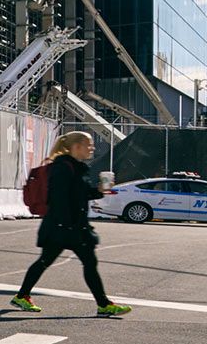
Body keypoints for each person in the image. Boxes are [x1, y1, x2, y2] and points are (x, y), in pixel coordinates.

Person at [10, 131, 129, 316]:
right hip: (64, 227)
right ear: (76, 147)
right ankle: (103, 304)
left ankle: (23, 295)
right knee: (60, 261)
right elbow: (58, 198)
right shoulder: (63, 168)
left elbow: (77, 194)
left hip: (69, 227)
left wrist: (98, 191)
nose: (92, 148)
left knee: (59, 261)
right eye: (89, 144)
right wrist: (70, 226)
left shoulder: (76, 167)